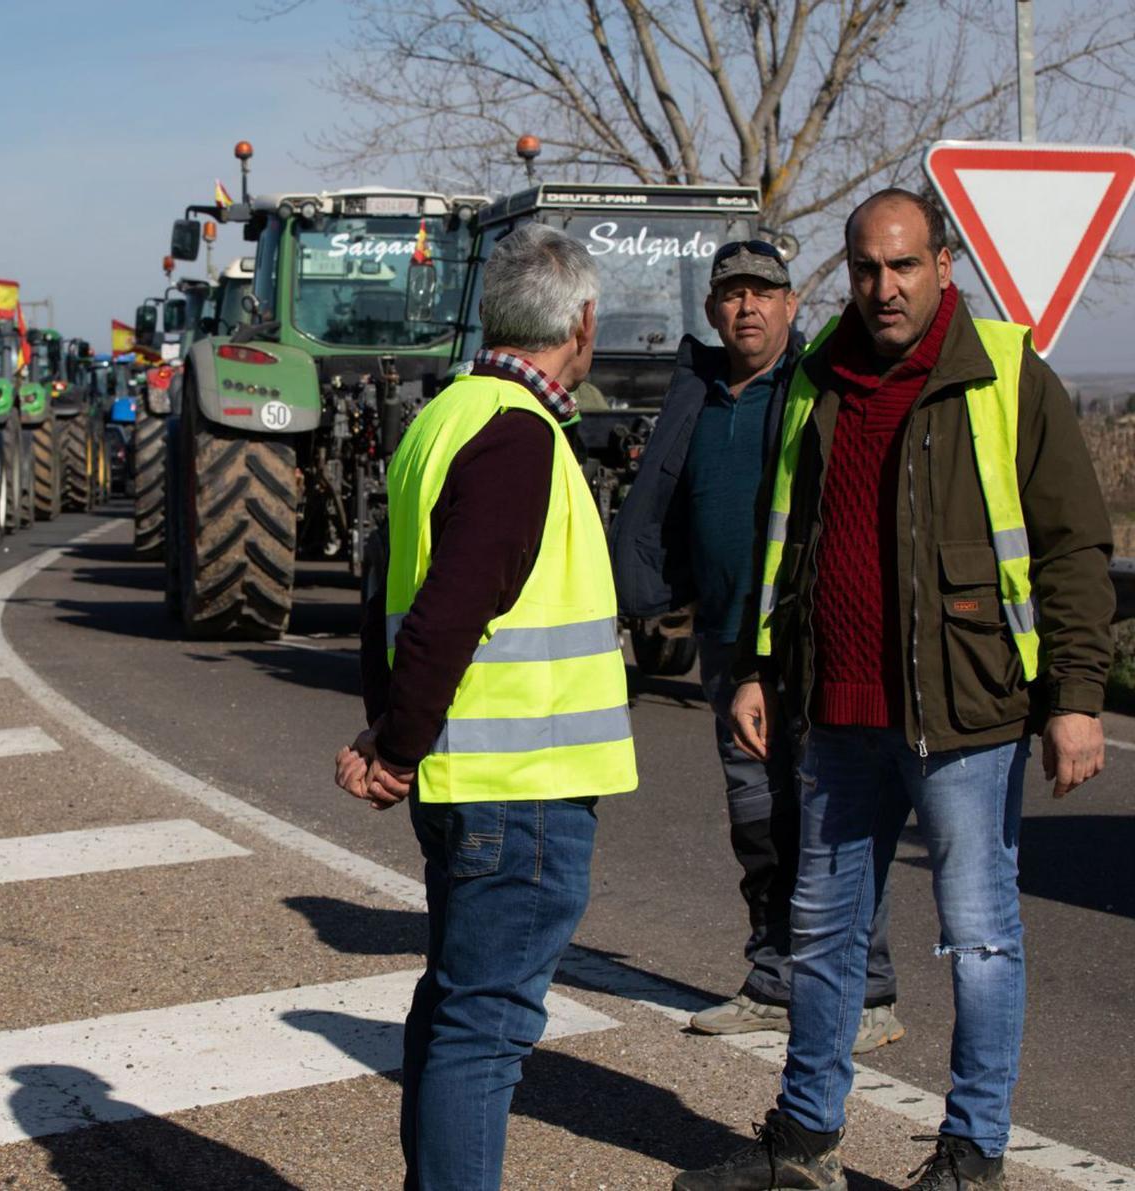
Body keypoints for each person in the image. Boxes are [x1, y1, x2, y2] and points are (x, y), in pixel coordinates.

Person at [675, 188, 1113, 1191]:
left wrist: (1077, 696)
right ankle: (804, 1146)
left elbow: (1075, 548)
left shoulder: (1004, 375)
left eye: (905, 265)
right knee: (822, 938)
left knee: (982, 940)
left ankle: (972, 1157)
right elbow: (780, 538)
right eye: (867, 268)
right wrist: (755, 666)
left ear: (944, 263)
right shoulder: (819, 375)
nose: (885, 287)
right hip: (837, 716)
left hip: (966, 715)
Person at [336, 222, 637, 1191]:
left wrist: (390, 729)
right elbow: (451, 606)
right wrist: (394, 744)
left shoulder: (444, 417)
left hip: (471, 782)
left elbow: (390, 588)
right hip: (525, 791)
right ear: (582, 325)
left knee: (456, 1012)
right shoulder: (521, 436)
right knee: (484, 1031)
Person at [611, 240, 903, 1052]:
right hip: (727, 642)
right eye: (732, 294)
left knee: (835, 819)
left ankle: (868, 992)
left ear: (789, 305)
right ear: (712, 311)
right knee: (759, 821)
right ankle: (775, 980)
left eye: (763, 293)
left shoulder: (819, 389)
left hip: (816, 642)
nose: (747, 307)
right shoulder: (696, 394)